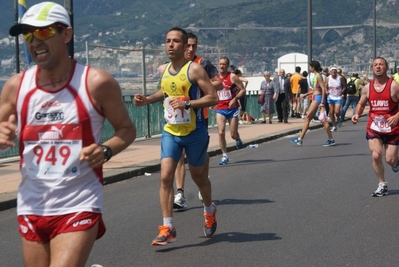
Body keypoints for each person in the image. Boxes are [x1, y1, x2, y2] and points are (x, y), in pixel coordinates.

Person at [0, 2, 136, 266]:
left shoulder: (96, 82)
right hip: (31, 204)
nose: (34, 42)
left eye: (43, 33)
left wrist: (106, 149)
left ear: (67, 34)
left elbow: (127, 129)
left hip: (79, 201)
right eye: (28, 35)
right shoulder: (16, 86)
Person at [134, 27, 219, 245]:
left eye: (175, 41)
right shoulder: (164, 70)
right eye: (167, 41)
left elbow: (213, 98)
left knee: (199, 177)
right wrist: (147, 100)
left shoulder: (195, 70)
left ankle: (209, 211)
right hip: (171, 131)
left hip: (194, 132)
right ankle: (168, 227)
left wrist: (187, 103)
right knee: (165, 177)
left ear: (184, 46)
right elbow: (165, 92)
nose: (170, 45)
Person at [173, 32, 223, 211]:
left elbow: (219, 84)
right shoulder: (175, 64)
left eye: (194, 46)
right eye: (188, 45)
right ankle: (180, 193)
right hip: (178, 116)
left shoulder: (202, 63)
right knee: (179, 155)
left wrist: (202, 86)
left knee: (201, 155)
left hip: (199, 115)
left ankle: (204, 181)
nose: (190, 49)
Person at [352, 57, 399, 197]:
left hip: (392, 128)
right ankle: (382, 185)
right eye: (375, 65)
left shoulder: (394, 86)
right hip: (374, 127)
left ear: (386, 68)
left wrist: (396, 117)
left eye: (381, 64)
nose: (378, 67)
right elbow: (361, 103)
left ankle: (396, 161)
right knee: (376, 154)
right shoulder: (367, 88)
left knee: (390, 159)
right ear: (372, 68)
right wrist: (356, 114)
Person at [290, 60, 335, 146]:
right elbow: (316, 90)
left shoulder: (318, 76)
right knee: (323, 120)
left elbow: (323, 89)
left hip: (317, 99)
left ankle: (300, 139)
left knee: (308, 118)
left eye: (310, 66)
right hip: (316, 97)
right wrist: (307, 94)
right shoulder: (316, 76)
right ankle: (330, 139)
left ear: (313, 67)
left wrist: (322, 102)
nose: (309, 68)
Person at [215, 57, 246, 165]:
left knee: (233, 134)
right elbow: (211, 90)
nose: (222, 66)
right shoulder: (215, 78)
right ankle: (224, 155)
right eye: (220, 64)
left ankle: (237, 139)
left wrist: (235, 99)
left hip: (232, 109)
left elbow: (242, 89)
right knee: (220, 132)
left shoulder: (232, 77)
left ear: (227, 66)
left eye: (224, 64)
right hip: (220, 108)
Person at [325, 67, 346, 131]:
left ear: (336, 72)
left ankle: (338, 118)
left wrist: (341, 92)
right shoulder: (328, 78)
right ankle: (334, 125)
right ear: (330, 72)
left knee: (336, 111)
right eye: (332, 72)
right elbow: (325, 86)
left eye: (335, 72)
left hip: (338, 97)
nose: (334, 73)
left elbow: (345, 86)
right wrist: (326, 91)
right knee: (331, 113)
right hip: (330, 96)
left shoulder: (340, 78)